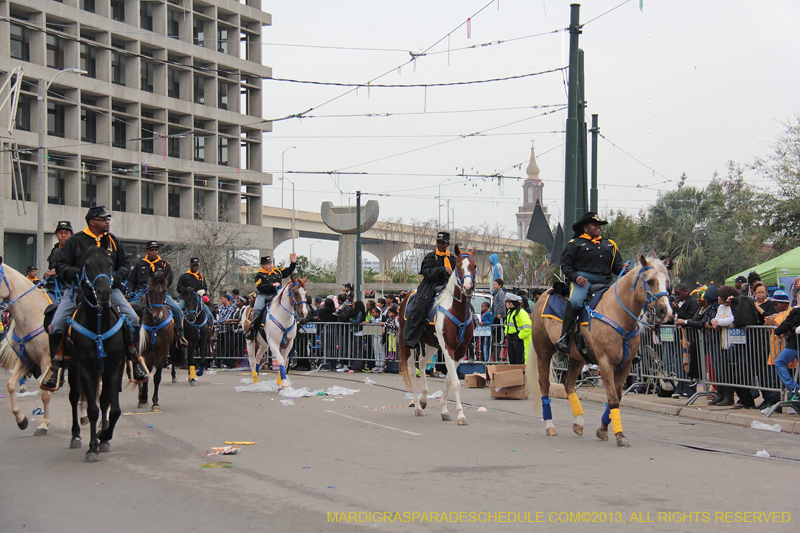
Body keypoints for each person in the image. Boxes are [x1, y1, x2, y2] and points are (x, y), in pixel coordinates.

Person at [43, 205, 148, 391]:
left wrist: (117, 277)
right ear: (92, 222)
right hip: (78, 291)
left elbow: (125, 264)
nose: (107, 222)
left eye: (108, 219)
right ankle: (55, 366)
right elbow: (60, 266)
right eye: (103, 219)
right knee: (57, 323)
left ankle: (134, 360)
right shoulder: (75, 241)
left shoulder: (113, 241)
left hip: (109, 291)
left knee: (132, 318)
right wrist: (76, 273)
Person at [557, 211, 628, 352]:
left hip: (605, 283)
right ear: (585, 228)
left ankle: (626, 344)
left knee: (620, 304)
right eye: (594, 224)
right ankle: (565, 336)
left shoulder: (610, 245)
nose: (598, 227)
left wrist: (624, 269)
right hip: (584, 282)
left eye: (599, 225)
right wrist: (575, 277)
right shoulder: (575, 244)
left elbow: (616, 266)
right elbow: (565, 264)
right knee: (576, 301)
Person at [127, 241, 187, 349]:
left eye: (156, 250)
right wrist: (131, 291)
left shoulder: (164, 264)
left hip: (160, 292)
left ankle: (180, 336)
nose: (154, 252)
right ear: (147, 251)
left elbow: (170, 278)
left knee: (177, 309)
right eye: (151, 250)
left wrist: (161, 286)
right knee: (129, 308)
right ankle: (129, 338)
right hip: (142, 292)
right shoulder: (140, 265)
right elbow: (131, 280)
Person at [402, 231, 457, 348]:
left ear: (448, 244)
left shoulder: (452, 258)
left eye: (443, 243)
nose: (440, 245)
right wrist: (442, 270)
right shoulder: (430, 257)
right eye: (438, 242)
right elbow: (426, 273)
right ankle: (411, 337)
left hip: (448, 286)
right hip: (431, 286)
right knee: (420, 305)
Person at [244, 254, 297, 341]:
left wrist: (293, 263)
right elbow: (259, 286)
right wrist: (271, 285)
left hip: (277, 295)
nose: (270, 265)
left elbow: (288, 271)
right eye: (268, 264)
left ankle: (296, 325)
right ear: (263, 266)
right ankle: (254, 328)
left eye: (271, 263)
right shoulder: (259, 275)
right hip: (264, 295)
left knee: (291, 305)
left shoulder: (277, 271)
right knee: (257, 308)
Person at [761, 290, 793, 409]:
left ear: (785, 303)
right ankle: (774, 404)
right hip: (775, 353)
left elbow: (789, 331)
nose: (774, 307)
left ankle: (792, 403)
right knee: (773, 380)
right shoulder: (779, 314)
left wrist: (774, 323)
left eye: (776, 304)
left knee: (788, 379)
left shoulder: (792, 313)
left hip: (787, 354)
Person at [670, 283, 700, 398]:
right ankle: (680, 388)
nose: (677, 296)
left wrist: (679, 311)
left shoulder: (692, 302)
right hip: (680, 337)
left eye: (679, 294)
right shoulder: (678, 303)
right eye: (676, 294)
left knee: (689, 364)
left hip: (689, 338)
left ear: (686, 291)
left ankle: (690, 389)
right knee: (680, 364)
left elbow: (691, 318)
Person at [772, 297, 800, 401]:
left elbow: (784, 326)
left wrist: (777, 329)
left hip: (795, 344)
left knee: (779, 362)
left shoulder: (796, 311)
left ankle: (793, 387)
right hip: (795, 344)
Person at [176, 257, 213, 324]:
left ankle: (211, 330)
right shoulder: (184, 276)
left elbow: (205, 288)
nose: (195, 267)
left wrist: (202, 292)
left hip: (197, 299)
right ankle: (177, 329)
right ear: (190, 266)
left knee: (209, 315)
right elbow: (178, 288)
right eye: (194, 265)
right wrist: (185, 291)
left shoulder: (201, 276)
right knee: (177, 310)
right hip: (186, 298)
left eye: (197, 265)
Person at [44, 220, 73, 303]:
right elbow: (51, 268)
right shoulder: (55, 250)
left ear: (71, 235)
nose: (63, 235)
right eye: (60, 233)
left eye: (66, 233)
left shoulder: (74, 250)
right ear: (56, 235)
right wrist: (48, 275)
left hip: (69, 287)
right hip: (53, 287)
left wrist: (57, 272)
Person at [503, 293, 531, 365]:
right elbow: (507, 325)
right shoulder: (510, 312)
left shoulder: (521, 313)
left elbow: (528, 328)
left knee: (520, 360)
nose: (505, 304)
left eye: (506, 302)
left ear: (511, 303)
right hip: (511, 338)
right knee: (512, 360)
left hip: (519, 339)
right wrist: (506, 334)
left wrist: (519, 337)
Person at [214, 293, 237, 367]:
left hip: (228, 330)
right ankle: (219, 362)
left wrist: (215, 322)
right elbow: (220, 317)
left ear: (226, 299)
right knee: (219, 347)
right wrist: (218, 321)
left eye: (222, 299)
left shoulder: (232, 308)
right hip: (220, 330)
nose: (221, 300)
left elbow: (226, 318)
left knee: (227, 347)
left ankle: (227, 362)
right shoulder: (221, 308)